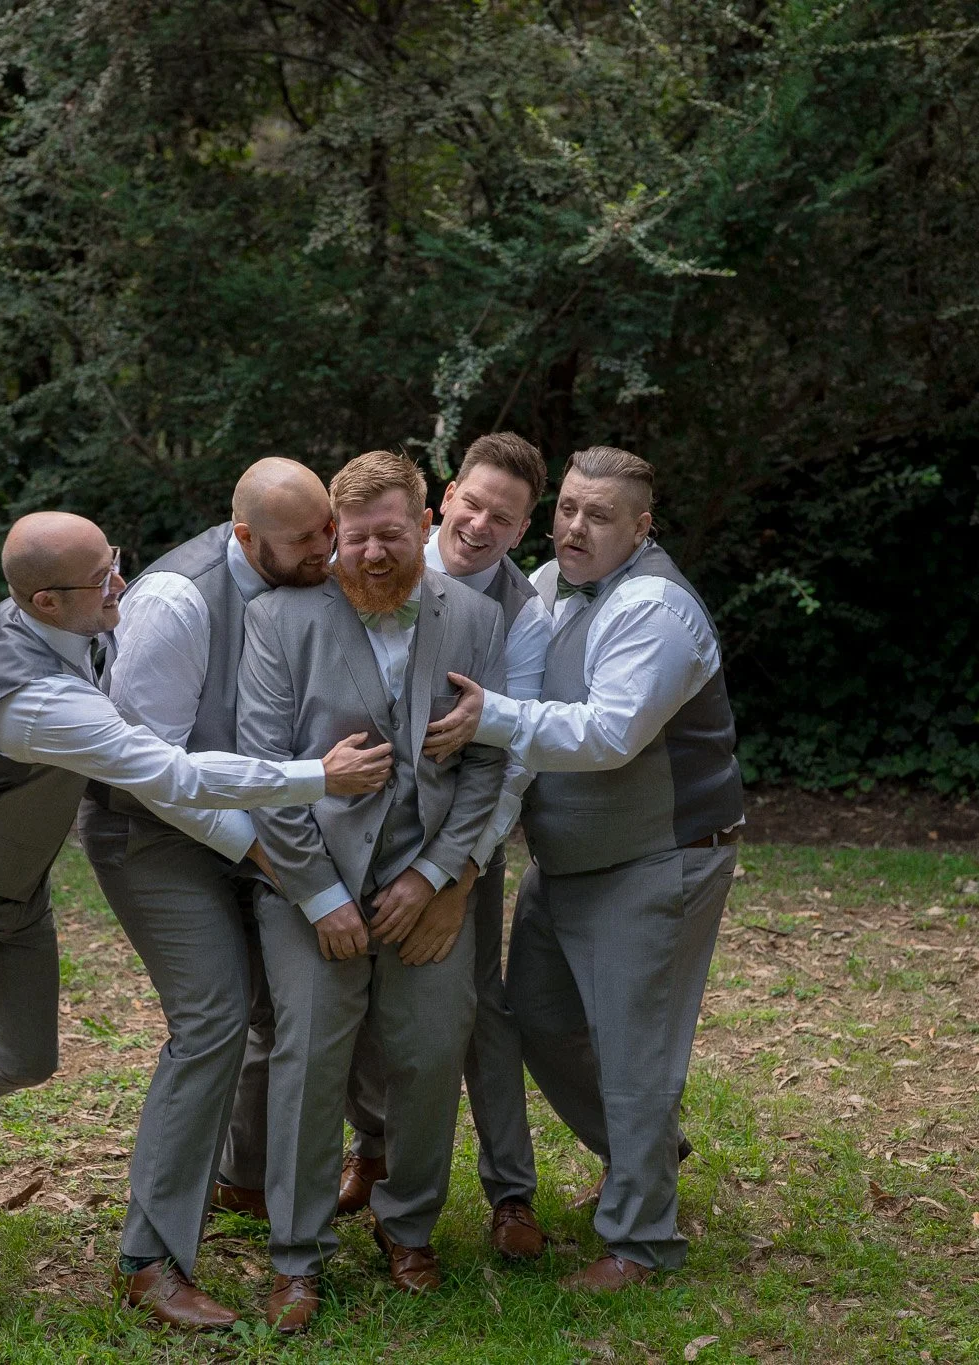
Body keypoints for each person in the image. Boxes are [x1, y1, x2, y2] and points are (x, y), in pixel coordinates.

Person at [0, 510, 392, 1353]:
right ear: (45, 601)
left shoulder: (61, 620)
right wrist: (319, 775)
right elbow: (172, 771)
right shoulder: (36, 702)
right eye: (103, 577)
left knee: (28, 1062)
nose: (123, 581)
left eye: (113, 560)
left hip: (21, 896)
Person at [436, 446, 743, 1291]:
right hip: (571, 858)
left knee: (635, 1051)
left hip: (658, 857)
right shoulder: (544, 585)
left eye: (598, 515)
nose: (574, 527)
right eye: (567, 507)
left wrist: (489, 716)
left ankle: (641, 1241)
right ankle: (647, 1155)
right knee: (535, 1015)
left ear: (641, 528)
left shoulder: (655, 609)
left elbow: (609, 734)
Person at [236, 451, 508, 1333]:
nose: (373, 554)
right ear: (332, 535)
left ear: (425, 522)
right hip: (309, 886)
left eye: (391, 534)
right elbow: (264, 771)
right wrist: (321, 895)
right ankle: (297, 1254)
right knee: (310, 1057)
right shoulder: (277, 619)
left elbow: (488, 765)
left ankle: (410, 1227)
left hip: (427, 882)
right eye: (355, 539)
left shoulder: (475, 616)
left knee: (430, 1053)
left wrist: (434, 877)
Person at [76, 458, 336, 1329]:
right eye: (305, 538)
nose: (326, 549)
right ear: (246, 535)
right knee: (214, 1015)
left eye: (329, 528)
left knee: (275, 1007)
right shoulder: (175, 601)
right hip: (150, 833)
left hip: (246, 824)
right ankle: (149, 1260)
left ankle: (242, 1179)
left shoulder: (305, 570)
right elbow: (147, 769)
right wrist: (258, 847)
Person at [334, 433, 555, 1261]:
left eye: (505, 517)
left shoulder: (519, 614)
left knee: (474, 1007)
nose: (482, 525)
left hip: (465, 838)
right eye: (474, 503)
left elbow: (513, 758)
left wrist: (455, 880)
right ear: (447, 499)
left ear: (524, 528)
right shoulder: (378, 552)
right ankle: (374, 1147)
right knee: (357, 1002)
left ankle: (511, 1191)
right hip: (353, 839)